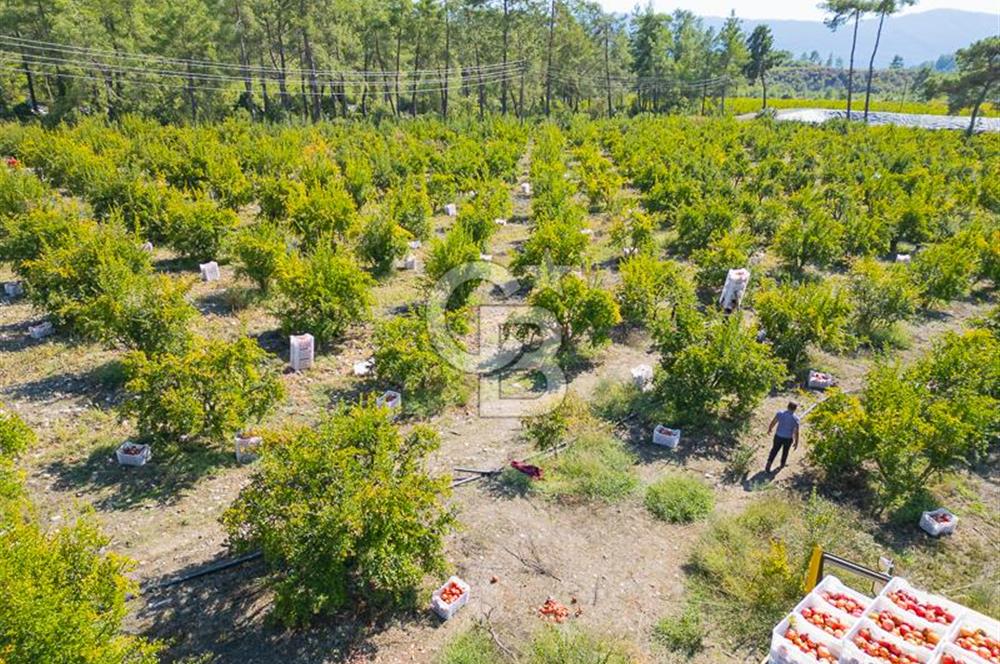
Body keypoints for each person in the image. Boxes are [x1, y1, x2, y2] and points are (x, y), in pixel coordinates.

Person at [765, 402, 800, 474]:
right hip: (788, 438)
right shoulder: (796, 419)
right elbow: (796, 432)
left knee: (774, 450)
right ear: (795, 409)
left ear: (787, 406)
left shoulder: (780, 413)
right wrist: (796, 442)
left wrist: (770, 428)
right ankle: (782, 464)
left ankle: (769, 463)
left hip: (778, 436)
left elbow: (774, 421)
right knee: (785, 451)